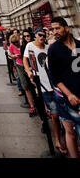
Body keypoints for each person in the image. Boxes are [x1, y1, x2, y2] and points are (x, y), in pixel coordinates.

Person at [23, 27, 67, 154]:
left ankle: (62, 137)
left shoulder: (49, 47)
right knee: (55, 114)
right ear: (35, 35)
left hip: (55, 85)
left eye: (44, 35)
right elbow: (25, 59)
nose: (43, 37)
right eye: (40, 35)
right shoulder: (30, 46)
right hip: (42, 85)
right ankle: (57, 140)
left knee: (60, 114)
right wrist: (28, 71)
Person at [48, 17, 80, 158]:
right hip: (64, 97)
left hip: (78, 95)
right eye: (53, 29)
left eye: (57, 28)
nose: (55, 32)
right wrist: (69, 95)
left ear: (66, 28)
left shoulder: (78, 45)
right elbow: (54, 77)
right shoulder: (54, 49)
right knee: (70, 132)